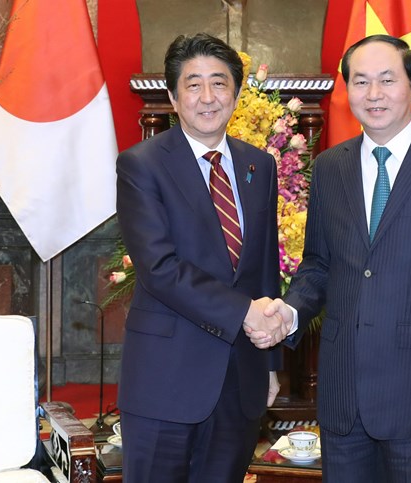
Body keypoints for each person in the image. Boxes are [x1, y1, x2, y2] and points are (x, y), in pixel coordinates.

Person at [252, 34, 411, 482]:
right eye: (361, 82)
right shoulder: (330, 167)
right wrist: (288, 312)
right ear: (347, 93)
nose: (374, 94)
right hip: (344, 400)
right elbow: (319, 265)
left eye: (388, 80)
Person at [115, 32, 291, 482]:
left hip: (241, 380)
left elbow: (264, 267)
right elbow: (159, 268)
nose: (208, 97)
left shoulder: (259, 165)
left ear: (235, 93)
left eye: (220, 83)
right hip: (165, 382)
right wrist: (245, 314)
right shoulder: (142, 165)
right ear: (173, 97)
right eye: (194, 84)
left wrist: (270, 363)